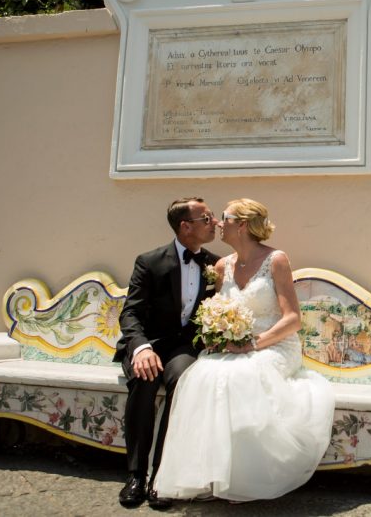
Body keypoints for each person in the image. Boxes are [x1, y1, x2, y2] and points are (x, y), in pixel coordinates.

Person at [152, 198, 335, 503]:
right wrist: (216, 333)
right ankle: (209, 474)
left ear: (243, 225)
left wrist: (251, 344)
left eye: (223, 218)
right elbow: (211, 311)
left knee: (242, 376)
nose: (218, 223)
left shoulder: (276, 259)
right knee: (203, 374)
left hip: (275, 344)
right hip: (232, 345)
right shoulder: (221, 266)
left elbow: (293, 319)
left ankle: (247, 476)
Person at [114, 197, 221, 509]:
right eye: (206, 218)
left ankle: (163, 476)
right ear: (185, 226)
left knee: (184, 381)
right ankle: (135, 475)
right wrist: (142, 348)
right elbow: (130, 314)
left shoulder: (214, 264)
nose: (213, 222)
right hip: (147, 343)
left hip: (181, 348)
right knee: (144, 380)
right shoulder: (149, 261)